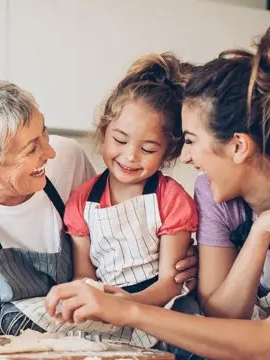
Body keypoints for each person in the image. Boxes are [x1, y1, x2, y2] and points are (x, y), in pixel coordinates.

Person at [45, 21, 270, 359]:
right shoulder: (214, 193)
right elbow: (224, 318)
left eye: (190, 141)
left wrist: (126, 310)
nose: (185, 157)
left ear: (238, 147)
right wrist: (261, 233)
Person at [0, 76, 199, 343]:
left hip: (82, 342)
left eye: (43, 133)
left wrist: (181, 259)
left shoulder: (67, 159)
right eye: (32, 148)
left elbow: (115, 240)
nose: (50, 151)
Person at [61, 53, 200, 350]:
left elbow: (170, 283)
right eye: (120, 140)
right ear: (104, 131)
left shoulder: (172, 199)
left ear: (169, 152)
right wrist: (98, 304)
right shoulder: (82, 201)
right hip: (105, 306)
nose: (130, 156)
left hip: (160, 308)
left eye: (148, 148)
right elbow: (84, 277)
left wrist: (129, 306)